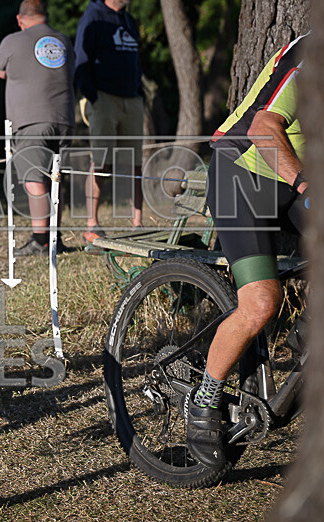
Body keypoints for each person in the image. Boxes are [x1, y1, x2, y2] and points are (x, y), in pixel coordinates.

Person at [185, 33, 308, 469]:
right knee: (260, 303)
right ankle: (204, 401)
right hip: (244, 175)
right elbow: (264, 127)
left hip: (291, 181)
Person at [0, 0, 75, 256]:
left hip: (31, 118)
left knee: (33, 179)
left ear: (20, 19)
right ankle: (55, 238)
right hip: (64, 118)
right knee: (56, 179)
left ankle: (41, 240)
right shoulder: (63, 40)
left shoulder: (12, 40)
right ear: (45, 16)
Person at [74, 0, 144, 242]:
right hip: (103, 98)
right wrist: (92, 96)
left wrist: (140, 92)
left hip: (132, 99)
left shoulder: (129, 20)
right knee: (101, 161)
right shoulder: (93, 18)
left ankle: (138, 223)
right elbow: (81, 59)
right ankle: (92, 224)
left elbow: (136, 59)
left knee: (136, 164)